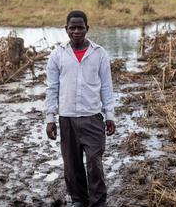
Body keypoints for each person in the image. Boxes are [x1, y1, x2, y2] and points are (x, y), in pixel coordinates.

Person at [45, 10, 116, 207]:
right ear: (66, 29)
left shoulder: (99, 53)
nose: (76, 31)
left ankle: (98, 202)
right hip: (66, 118)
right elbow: (52, 88)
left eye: (80, 27)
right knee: (72, 164)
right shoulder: (57, 54)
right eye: (72, 27)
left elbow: (106, 87)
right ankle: (79, 200)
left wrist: (109, 115)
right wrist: (50, 118)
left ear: (87, 28)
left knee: (94, 161)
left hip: (93, 117)